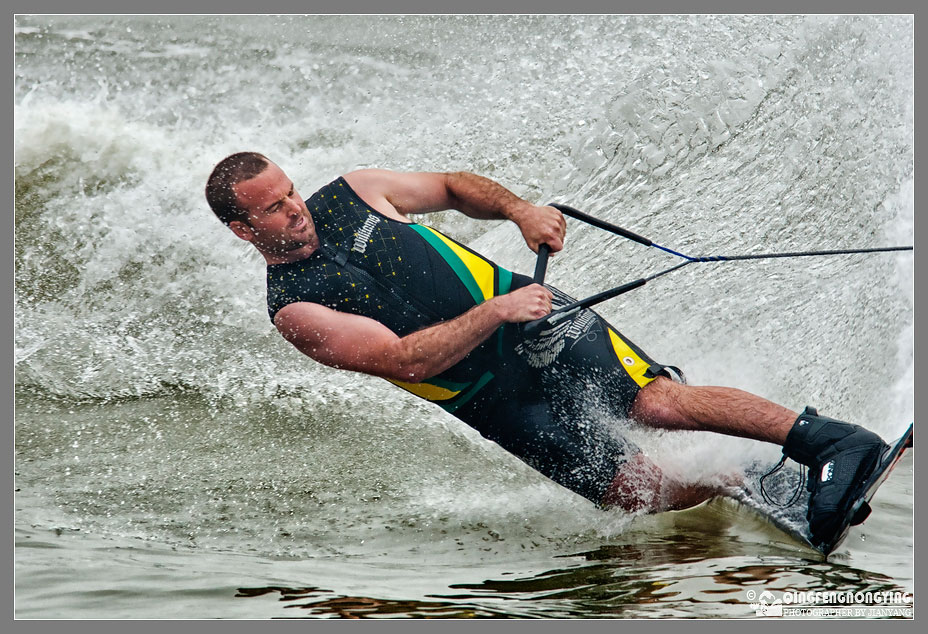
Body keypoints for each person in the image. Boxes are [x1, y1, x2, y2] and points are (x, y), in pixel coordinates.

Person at [205, 151, 889, 550]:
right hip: (492, 398)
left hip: (541, 325)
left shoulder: (354, 192)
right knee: (634, 493)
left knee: (656, 402)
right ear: (243, 229)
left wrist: (520, 210)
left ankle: (832, 443)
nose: (295, 208)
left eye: (289, 191)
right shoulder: (294, 308)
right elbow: (405, 360)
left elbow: (450, 187)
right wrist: (492, 312)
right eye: (272, 208)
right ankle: (743, 478)